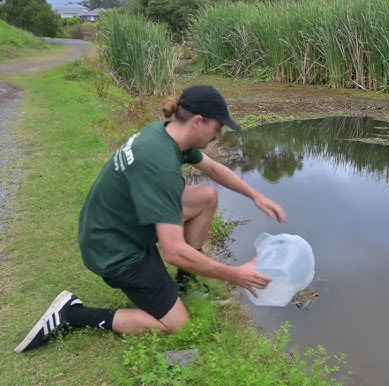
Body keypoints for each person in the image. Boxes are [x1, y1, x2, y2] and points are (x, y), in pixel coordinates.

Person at [15, 85, 286, 353]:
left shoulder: (165, 134)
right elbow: (173, 252)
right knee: (178, 326)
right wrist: (234, 274)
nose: (219, 134)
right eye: (218, 127)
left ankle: (186, 285)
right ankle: (72, 315)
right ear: (198, 121)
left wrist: (255, 195)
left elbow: (213, 168)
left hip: (117, 224)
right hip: (115, 251)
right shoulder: (161, 168)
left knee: (205, 197)